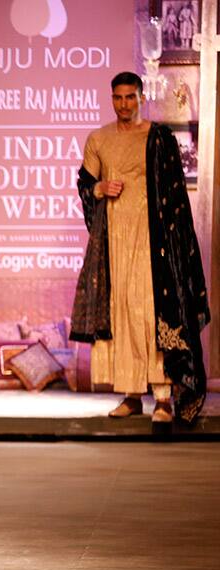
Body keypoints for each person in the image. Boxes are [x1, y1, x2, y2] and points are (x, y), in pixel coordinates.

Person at [71, 72, 210, 424]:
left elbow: (176, 194)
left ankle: (163, 396)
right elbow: (85, 184)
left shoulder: (159, 137)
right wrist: (100, 189)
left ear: (141, 97)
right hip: (115, 243)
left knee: (151, 313)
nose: (123, 104)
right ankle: (131, 394)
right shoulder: (99, 139)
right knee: (123, 314)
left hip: (154, 244)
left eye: (130, 97)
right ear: (111, 99)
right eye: (117, 98)